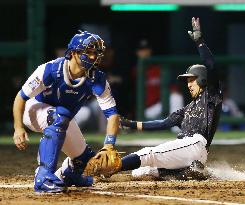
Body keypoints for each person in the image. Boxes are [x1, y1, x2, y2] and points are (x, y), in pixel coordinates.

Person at [12, 31, 120, 193]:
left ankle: (70, 174)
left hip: (63, 118)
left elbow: (112, 114)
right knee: (58, 116)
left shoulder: (97, 78)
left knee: (84, 160)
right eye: (89, 52)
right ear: (74, 53)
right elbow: (20, 98)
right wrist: (18, 127)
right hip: (33, 110)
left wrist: (109, 143)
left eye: (96, 53)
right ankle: (43, 177)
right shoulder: (50, 70)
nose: (94, 57)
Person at [119, 17, 223, 178]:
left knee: (148, 154)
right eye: (187, 81)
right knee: (140, 173)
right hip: (187, 150)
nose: (188, 84)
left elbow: (211, 66)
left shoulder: (211, 96)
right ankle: (189, 171)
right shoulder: (187, 108)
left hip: (195, 145)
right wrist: (130, 124)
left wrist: (200, 42)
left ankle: (111, 167)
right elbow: (163, 123)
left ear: (202, 79)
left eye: (191, 79)